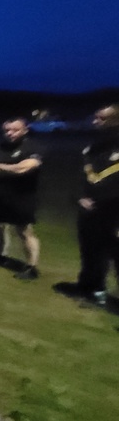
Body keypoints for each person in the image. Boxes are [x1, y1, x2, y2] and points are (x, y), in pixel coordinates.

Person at [0, 118, 43, 280]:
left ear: (25, 130)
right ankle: (0, 256)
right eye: (7, 130)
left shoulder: (33, 147)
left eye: (15, 130)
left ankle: (31, 267)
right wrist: (12, 169)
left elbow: (26, 168)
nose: (10, 133)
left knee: (24, 231)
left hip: (23, 195)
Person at [76, 104, 119, 304]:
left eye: (101, 119)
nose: (95, 122)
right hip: (90, 212)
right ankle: (92, 287)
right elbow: (80, 177)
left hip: (113, 213)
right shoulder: (92, 148)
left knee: (113, 254)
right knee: (91, 251)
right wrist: (80, 196)